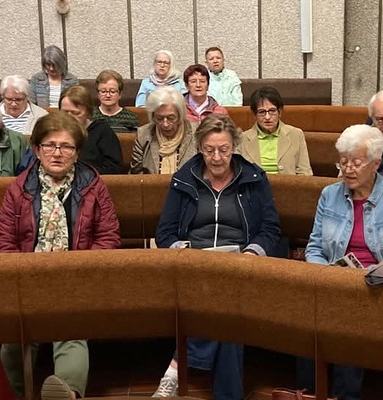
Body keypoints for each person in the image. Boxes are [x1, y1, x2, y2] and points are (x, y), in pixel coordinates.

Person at [0, 111, 121, 400]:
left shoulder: (93, 186)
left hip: (76, 277)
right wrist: (23, 274)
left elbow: (108, 238)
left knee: (70, 327)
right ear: (37, 149)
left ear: (77, 152)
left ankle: (67, 393)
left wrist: (78, 269)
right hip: (26, 278)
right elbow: (3, 241)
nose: (58, 153)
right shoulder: (19, 189)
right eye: (50, 145)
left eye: (66, 146)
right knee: (15, 336)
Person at [152, 114, 281, 400]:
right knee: (227, 310)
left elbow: (270, 230)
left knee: (226, 297)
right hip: (193, 266)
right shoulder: (184, 179)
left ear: (234, 147)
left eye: (224, 149)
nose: (217, 157)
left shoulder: (254, 178)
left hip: (241, 266)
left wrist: (252, 253)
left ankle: (175, 368)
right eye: (209, 150)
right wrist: (182, 252)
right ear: (200, 147)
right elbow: (165, 232)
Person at [301, 124, 383, 400]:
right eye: (343, 162)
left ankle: (344, 396)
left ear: (375, 163)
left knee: (348, 320)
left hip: (376, 288)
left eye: (356, 162)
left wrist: (371, 275)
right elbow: (314, 247)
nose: (348, 169)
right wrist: (326, 274)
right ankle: (309, 392)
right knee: (305, 317)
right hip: (331, 283)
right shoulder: (329, 195)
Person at [240, 86, 312, 175]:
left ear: (279, 112)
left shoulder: (296, 134)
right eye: (262, 112)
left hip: (288, 183)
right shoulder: (242, 139)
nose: (267, 117)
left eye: (272, 111)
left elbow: (305, 172)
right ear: (255, 115)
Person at [129, 86, 197, 175]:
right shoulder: (143, 134)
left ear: (180, 115)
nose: (165, 124)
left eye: (171, 118)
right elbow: (136, 174)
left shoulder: (196, 133)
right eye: (159, 118)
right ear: (153, 117)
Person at [60, 85, 123, 174]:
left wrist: (83, 174)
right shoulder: (53, 131)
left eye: (76, 113)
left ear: (88, 112)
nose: (69, 117)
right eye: (65, 112)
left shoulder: (102, 131)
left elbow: (113, 168)